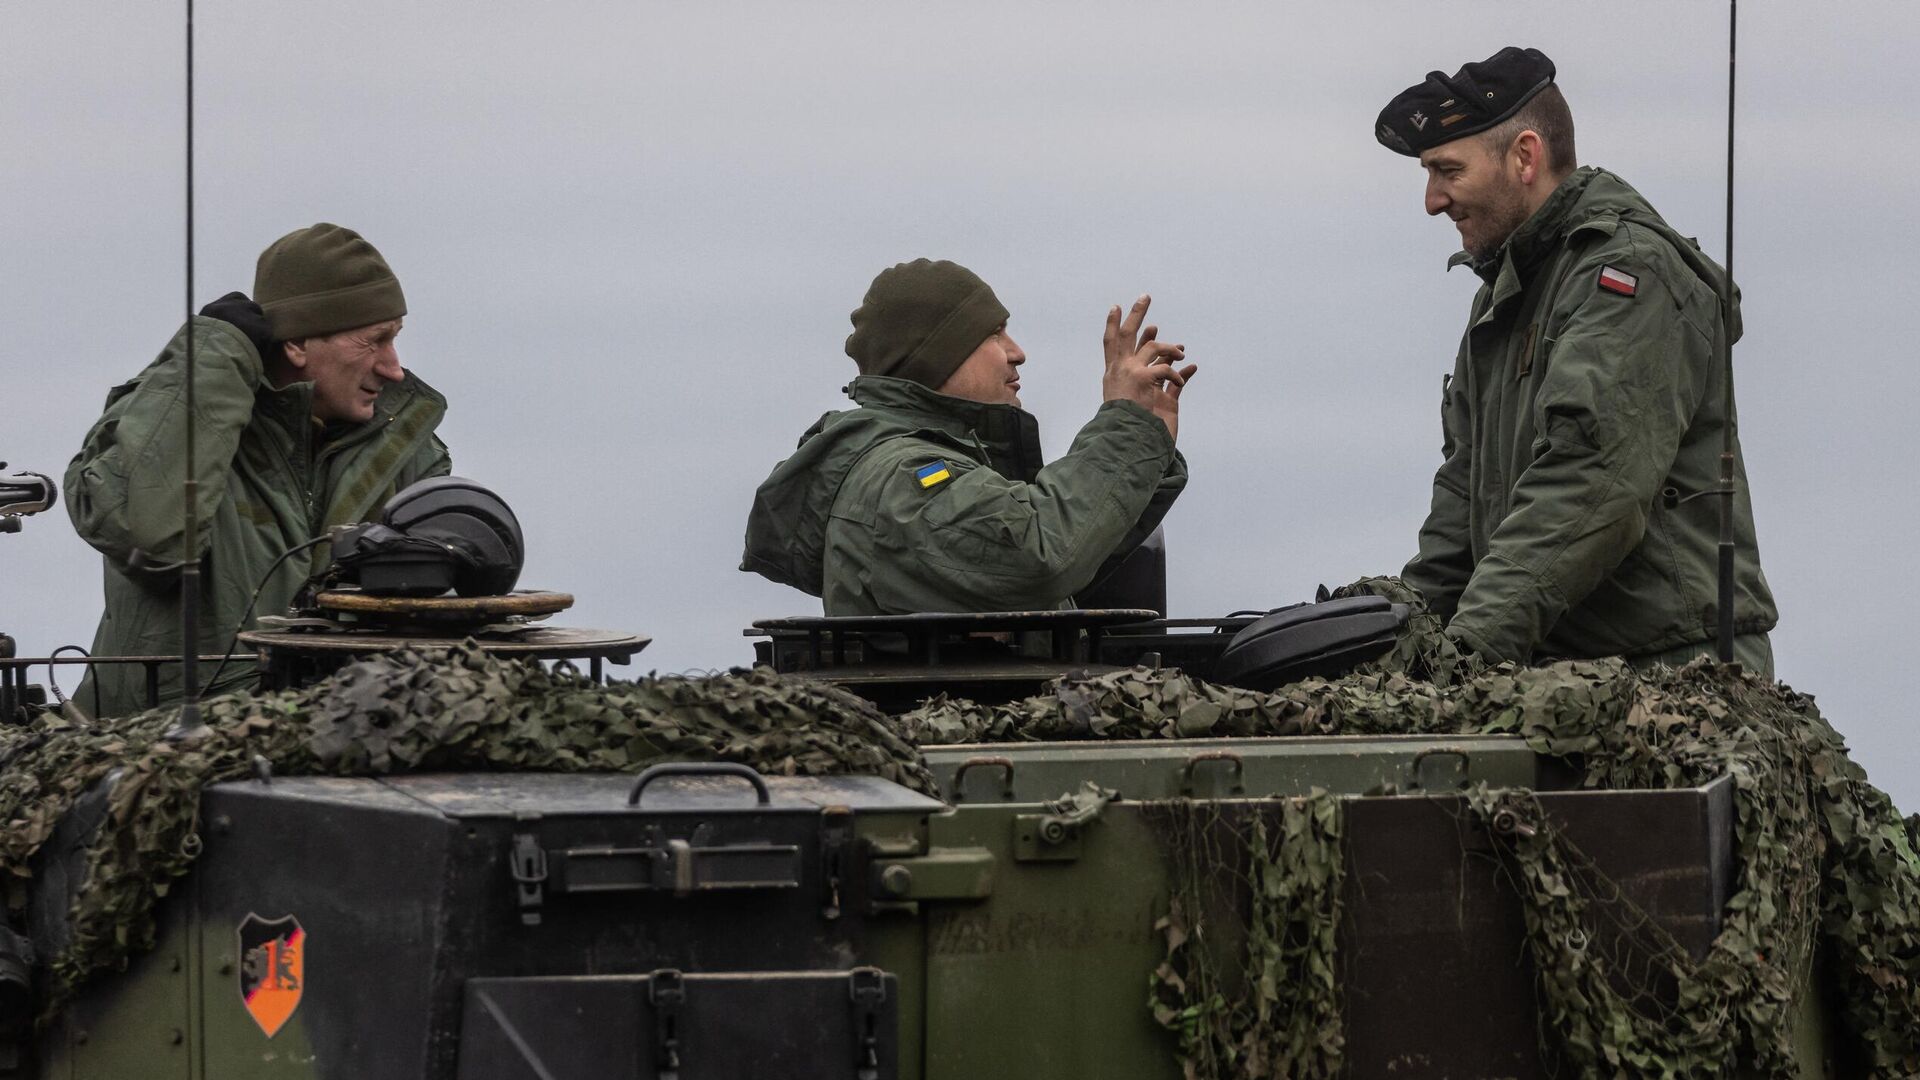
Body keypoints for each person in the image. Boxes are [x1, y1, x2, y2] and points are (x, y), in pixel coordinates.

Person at [1376, 47, 1777, 673]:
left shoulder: (1627, 275)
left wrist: (1463, 656)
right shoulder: (1506, 297)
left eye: (1448, 171)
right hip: (1559, 681)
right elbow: (1463, 502)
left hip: (1667, 684)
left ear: (1525, 156)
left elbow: (1591, 482)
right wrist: (1395, 645)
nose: (1432, 200)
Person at [65, 223, 451, 717]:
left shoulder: (405, 449)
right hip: (155, 750)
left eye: (395, 339)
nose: (394, 367)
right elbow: (152, 537)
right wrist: (212, 361)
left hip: (343, 748)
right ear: (297, 344)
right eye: (373, 341)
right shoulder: (172, 421)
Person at [742, 258, 1196, 616]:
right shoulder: (907, 479)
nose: (1017, 352)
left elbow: (1070, 557)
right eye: (994, 335)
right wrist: (1122, 428)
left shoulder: (932, 465)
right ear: (937, 355)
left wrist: (1146, 442)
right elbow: (1038, 558)